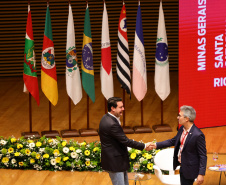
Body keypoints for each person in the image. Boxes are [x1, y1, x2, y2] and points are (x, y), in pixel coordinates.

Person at [149, 105, 207, 185]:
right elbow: (173, 141)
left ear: (187, 119)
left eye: (179, 115)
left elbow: (203, 155)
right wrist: (156, 145)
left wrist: (201, 174)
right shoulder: (181, 129)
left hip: (189, 170)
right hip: (182, 167)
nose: (177, 117)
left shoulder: (198, 135)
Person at [99, 97, 151, 185]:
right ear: (113, 108)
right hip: (115, 163)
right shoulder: (111, 124)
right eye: (121, 107)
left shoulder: (106, 118)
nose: (123, 109)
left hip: (117, 160)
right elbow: (125, 141)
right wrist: (144, 146)